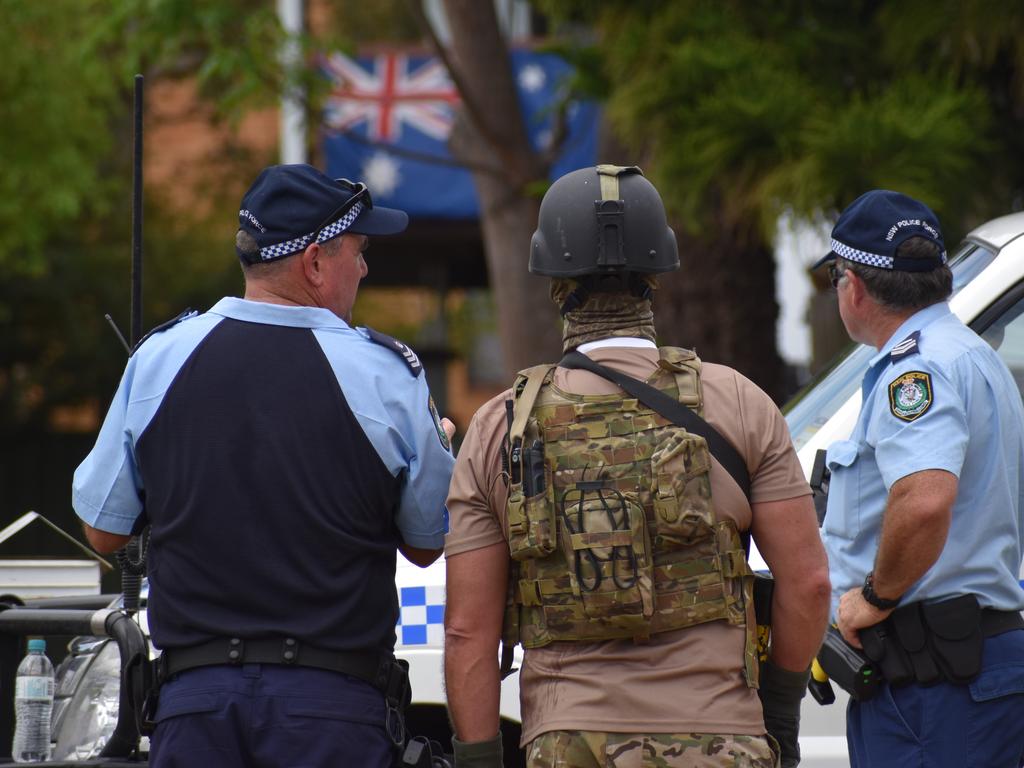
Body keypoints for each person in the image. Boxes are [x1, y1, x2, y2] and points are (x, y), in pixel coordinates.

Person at [443, 165, 830, 768]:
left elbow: (469, 631)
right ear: (656, 278)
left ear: (554, 282)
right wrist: (778, 711)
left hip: (569, 742)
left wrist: (477, 759)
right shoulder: (739, 402)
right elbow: (809, 585)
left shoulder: (500, 427)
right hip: (722, 738)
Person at [71, 164, 456, 768]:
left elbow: (102, 529)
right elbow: (429, 543)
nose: (363, 267)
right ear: (314, 262)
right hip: (331, 713)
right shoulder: (387, 376)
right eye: (358, 250)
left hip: (194, 710)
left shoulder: (159, 360)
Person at [816, 190, 1024, 767]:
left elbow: (926, 500)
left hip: (935, 683)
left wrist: (873, 598)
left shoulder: (917, 370)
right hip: (962, 669)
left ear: (853, 285)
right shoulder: (970, 354)